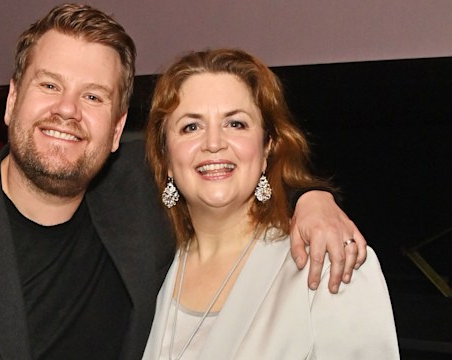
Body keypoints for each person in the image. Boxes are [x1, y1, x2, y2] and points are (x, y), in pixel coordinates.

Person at [0, 4, 366, 360]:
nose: (67, 111)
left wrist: (312, 200)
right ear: (11, 100)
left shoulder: (138, 197)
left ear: (118, 129)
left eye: (93, 96)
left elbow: (224, 165)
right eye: (49, 85)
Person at [142, 48, 399, 359]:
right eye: (191, 127)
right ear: (166, 157)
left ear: (267, 149)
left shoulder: (327, 260)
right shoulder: (147, 270)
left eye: (235, 123)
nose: (213, 143)